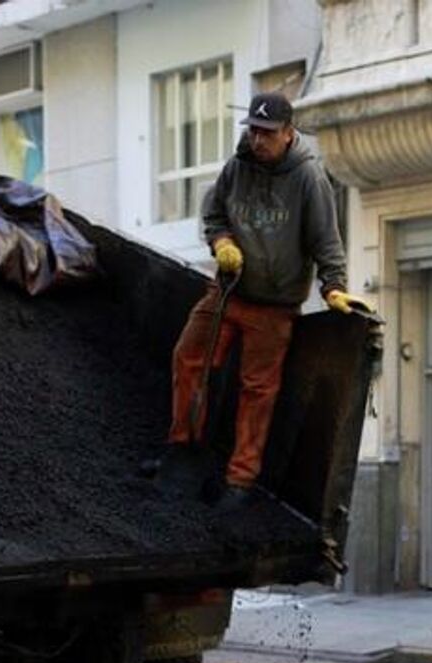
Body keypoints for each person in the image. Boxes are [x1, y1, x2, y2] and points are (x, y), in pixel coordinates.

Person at [147, 92, 373, 503]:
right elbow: (214, 215)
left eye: (267, 133)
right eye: (253, 130)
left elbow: (326, 240)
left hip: (275, 305)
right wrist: (222, 243)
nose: (258, 139)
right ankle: (184, 449)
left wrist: (334, 287)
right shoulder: (237, 168)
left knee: (258, 390)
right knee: (189, 355)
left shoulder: (309, 178)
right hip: (230, 289)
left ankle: (241, 478)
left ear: (288, 133)